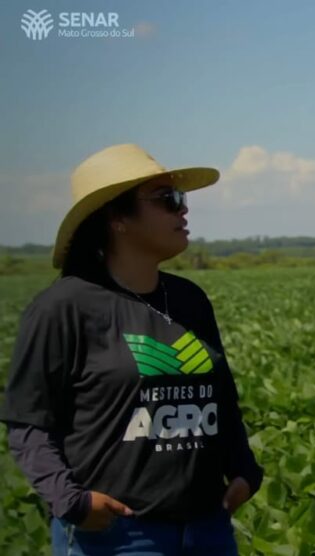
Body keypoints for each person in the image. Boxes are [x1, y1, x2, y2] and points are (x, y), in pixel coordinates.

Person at [1, 144, 263, 555]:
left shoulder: (190, 299)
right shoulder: (64, 306)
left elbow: (223, 400)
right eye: (167, 199)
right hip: (118, 536)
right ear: (117, 218)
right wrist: (72, 502)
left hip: (207, 528)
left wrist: (244, 470)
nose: (183, 209)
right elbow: (28, 422)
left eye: (181, 198)